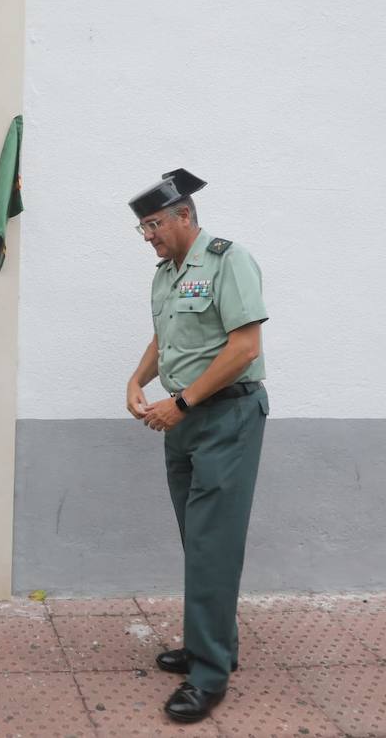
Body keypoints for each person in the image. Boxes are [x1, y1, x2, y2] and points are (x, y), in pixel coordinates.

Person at [123, 168, 268, 724]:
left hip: (226, 416)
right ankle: (213, 642)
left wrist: (179, 403)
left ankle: (208, 674)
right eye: (142, 229)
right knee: (201, 539)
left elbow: (245, 347)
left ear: (185, 215)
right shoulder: (167, 273)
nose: (149, 237)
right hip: (183, 421)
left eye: (154, 224)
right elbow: (167, 336)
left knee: (212, 543)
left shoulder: (230, 260)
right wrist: (138, 380)